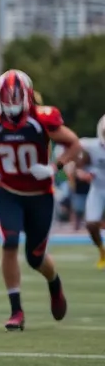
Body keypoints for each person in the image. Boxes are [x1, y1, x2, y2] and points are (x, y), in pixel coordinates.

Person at [0, 70, 81, 331]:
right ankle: (16, 311)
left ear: (28, 97)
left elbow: (74, 144)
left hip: (40, 196)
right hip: (9, 192)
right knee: (9, 243)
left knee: (35, 257)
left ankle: (54, 283)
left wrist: (55, 167)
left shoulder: (43, 119)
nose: (12, 108)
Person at [70, 114, 105, 269]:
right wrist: (81, 174)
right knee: (91, 224)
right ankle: (102, 251)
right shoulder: (91, 146)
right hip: (98, 189)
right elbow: (76, 165)